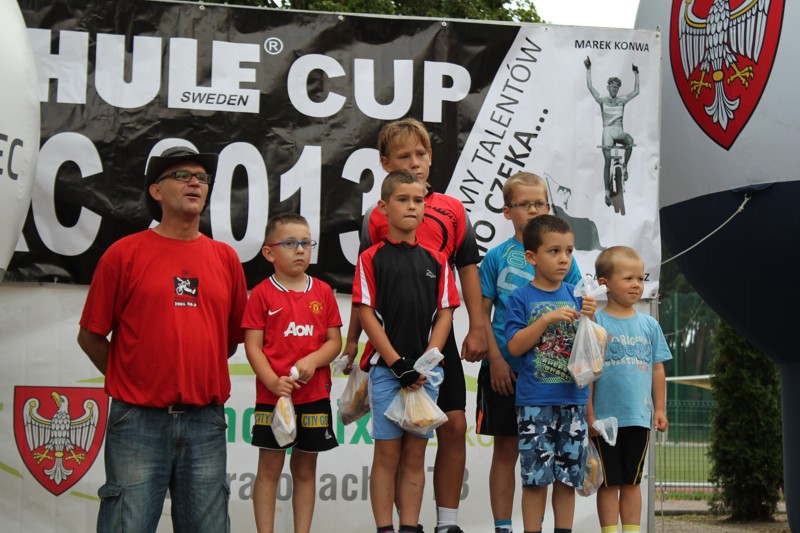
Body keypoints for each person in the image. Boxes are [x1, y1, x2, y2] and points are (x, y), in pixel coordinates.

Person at [77, 145, 248, 533]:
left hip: (205, 422)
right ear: (156, 191)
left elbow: (228, 342)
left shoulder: (226, 259)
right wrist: (132, 379)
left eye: (202, 178)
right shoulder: (123, 254)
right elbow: (90, 336)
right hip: (137, 421)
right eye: (182, 176)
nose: (195, 183)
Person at [343, 118, 486, 533]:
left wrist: (478, 326)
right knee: (393, 448)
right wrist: (352, 340)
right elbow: (364, 290)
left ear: (431, 157)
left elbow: (467, 268)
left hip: (436, 343)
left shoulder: (452, 209)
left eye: (421, 154)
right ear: (386, 163)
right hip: (390, 347)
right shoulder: (376, 217)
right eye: (404, 156)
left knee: (453, 424)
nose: (415, 162)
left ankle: (446, 523)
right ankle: (398, 525)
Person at [352, 169, 460, 533]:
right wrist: (397, 364)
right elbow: (366, 312)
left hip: (426, 376)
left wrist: (426, 362)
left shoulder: (437, 260)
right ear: (383, 207)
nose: (412, 207)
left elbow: (445, 313)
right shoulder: (370, 258)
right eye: (402, 200)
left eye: (418, 200)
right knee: (387, 454)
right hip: (387, 373)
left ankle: (410, 527)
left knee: (415, 455)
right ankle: (385, 527)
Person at [477, 173, 583, 533]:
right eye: (525, 204)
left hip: (556, 378)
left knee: (563, 466)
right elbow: (483, 313)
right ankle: (503, 527)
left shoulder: (567, 262)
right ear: (508, 211)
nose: (534, 210)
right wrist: (495, 360)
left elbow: (578, 309)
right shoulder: (496, 257)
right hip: (504, 369)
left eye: (541, 203)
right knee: (508, 450)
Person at [242, 212, 343, 533]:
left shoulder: (323, 292)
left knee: (305, 470)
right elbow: (253, 347)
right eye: (289, 243)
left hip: (314, 398)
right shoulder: (261, 293)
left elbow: (334, 342)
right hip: (273, 399)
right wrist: (273, 382)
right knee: (269, 470)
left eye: (306, 243)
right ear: (269, 252)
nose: (300, 250)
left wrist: (313, 360)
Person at [504, 215, 596, 533]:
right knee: (535, 479)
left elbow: (594, 351)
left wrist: (591, 321)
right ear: (532, 257)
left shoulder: (578, 296)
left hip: (573, 401)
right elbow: (514, 346)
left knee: (568, 478)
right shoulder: (520, 298)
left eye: (568, 251)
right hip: (534, 403)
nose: (563, 259)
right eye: (554, 251)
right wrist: (545, 320)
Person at [588, 246, 671, 533]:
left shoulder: (650, 325)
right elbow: (587, 373)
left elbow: (657, 369)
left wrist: (659, 409)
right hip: (604, 421)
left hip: (638, 417)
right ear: (604, 284)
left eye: (640, 278)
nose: (636, 284)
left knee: (632, 482)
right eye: (628, 278)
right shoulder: (595, 323)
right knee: (609, 482)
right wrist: (589, 415)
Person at [583, 57, 640, 205]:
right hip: (607, 132)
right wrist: (588, 70)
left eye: (616, 88)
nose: (614, 89)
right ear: (608, 88)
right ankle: (607, 193)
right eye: (612, 87)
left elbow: (636, 91)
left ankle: (625, 167)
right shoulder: (602, 100)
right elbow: (590, 88)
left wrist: (636, 73)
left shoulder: (622, 100)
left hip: (619, 132)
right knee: (607, 161)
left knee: (630, 141)